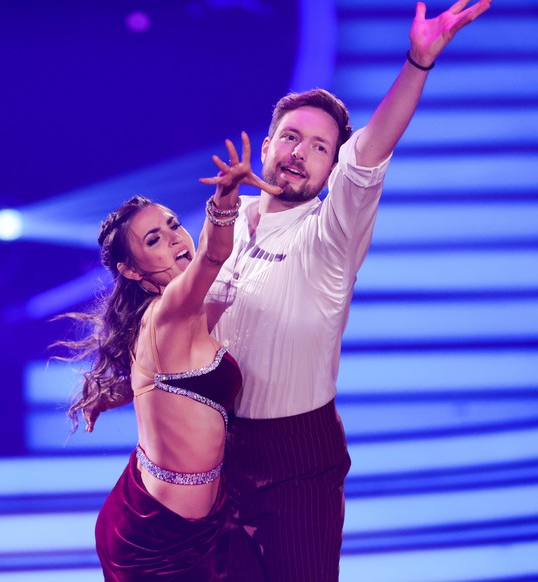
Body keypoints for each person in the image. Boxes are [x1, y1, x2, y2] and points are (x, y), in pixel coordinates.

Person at [204, 1, 492, 580]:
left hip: (298, 458)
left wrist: (417, 61)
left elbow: (370, 151)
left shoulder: (332, 231)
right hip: (215, 448)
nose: (299, 153)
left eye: (319, 147)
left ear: (333, 167)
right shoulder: (227, 218)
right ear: (266, 144)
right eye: (290, 137)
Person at [55, 132, 281, 580]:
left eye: (174, 224)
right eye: (154, 239)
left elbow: (169, 381)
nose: (176, 239)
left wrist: (115, 390)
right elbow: (215, 255)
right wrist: (224, 200)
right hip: (158, 540)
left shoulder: (183, 313)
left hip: (200, 524)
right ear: (131, 269)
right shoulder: (168, 313)